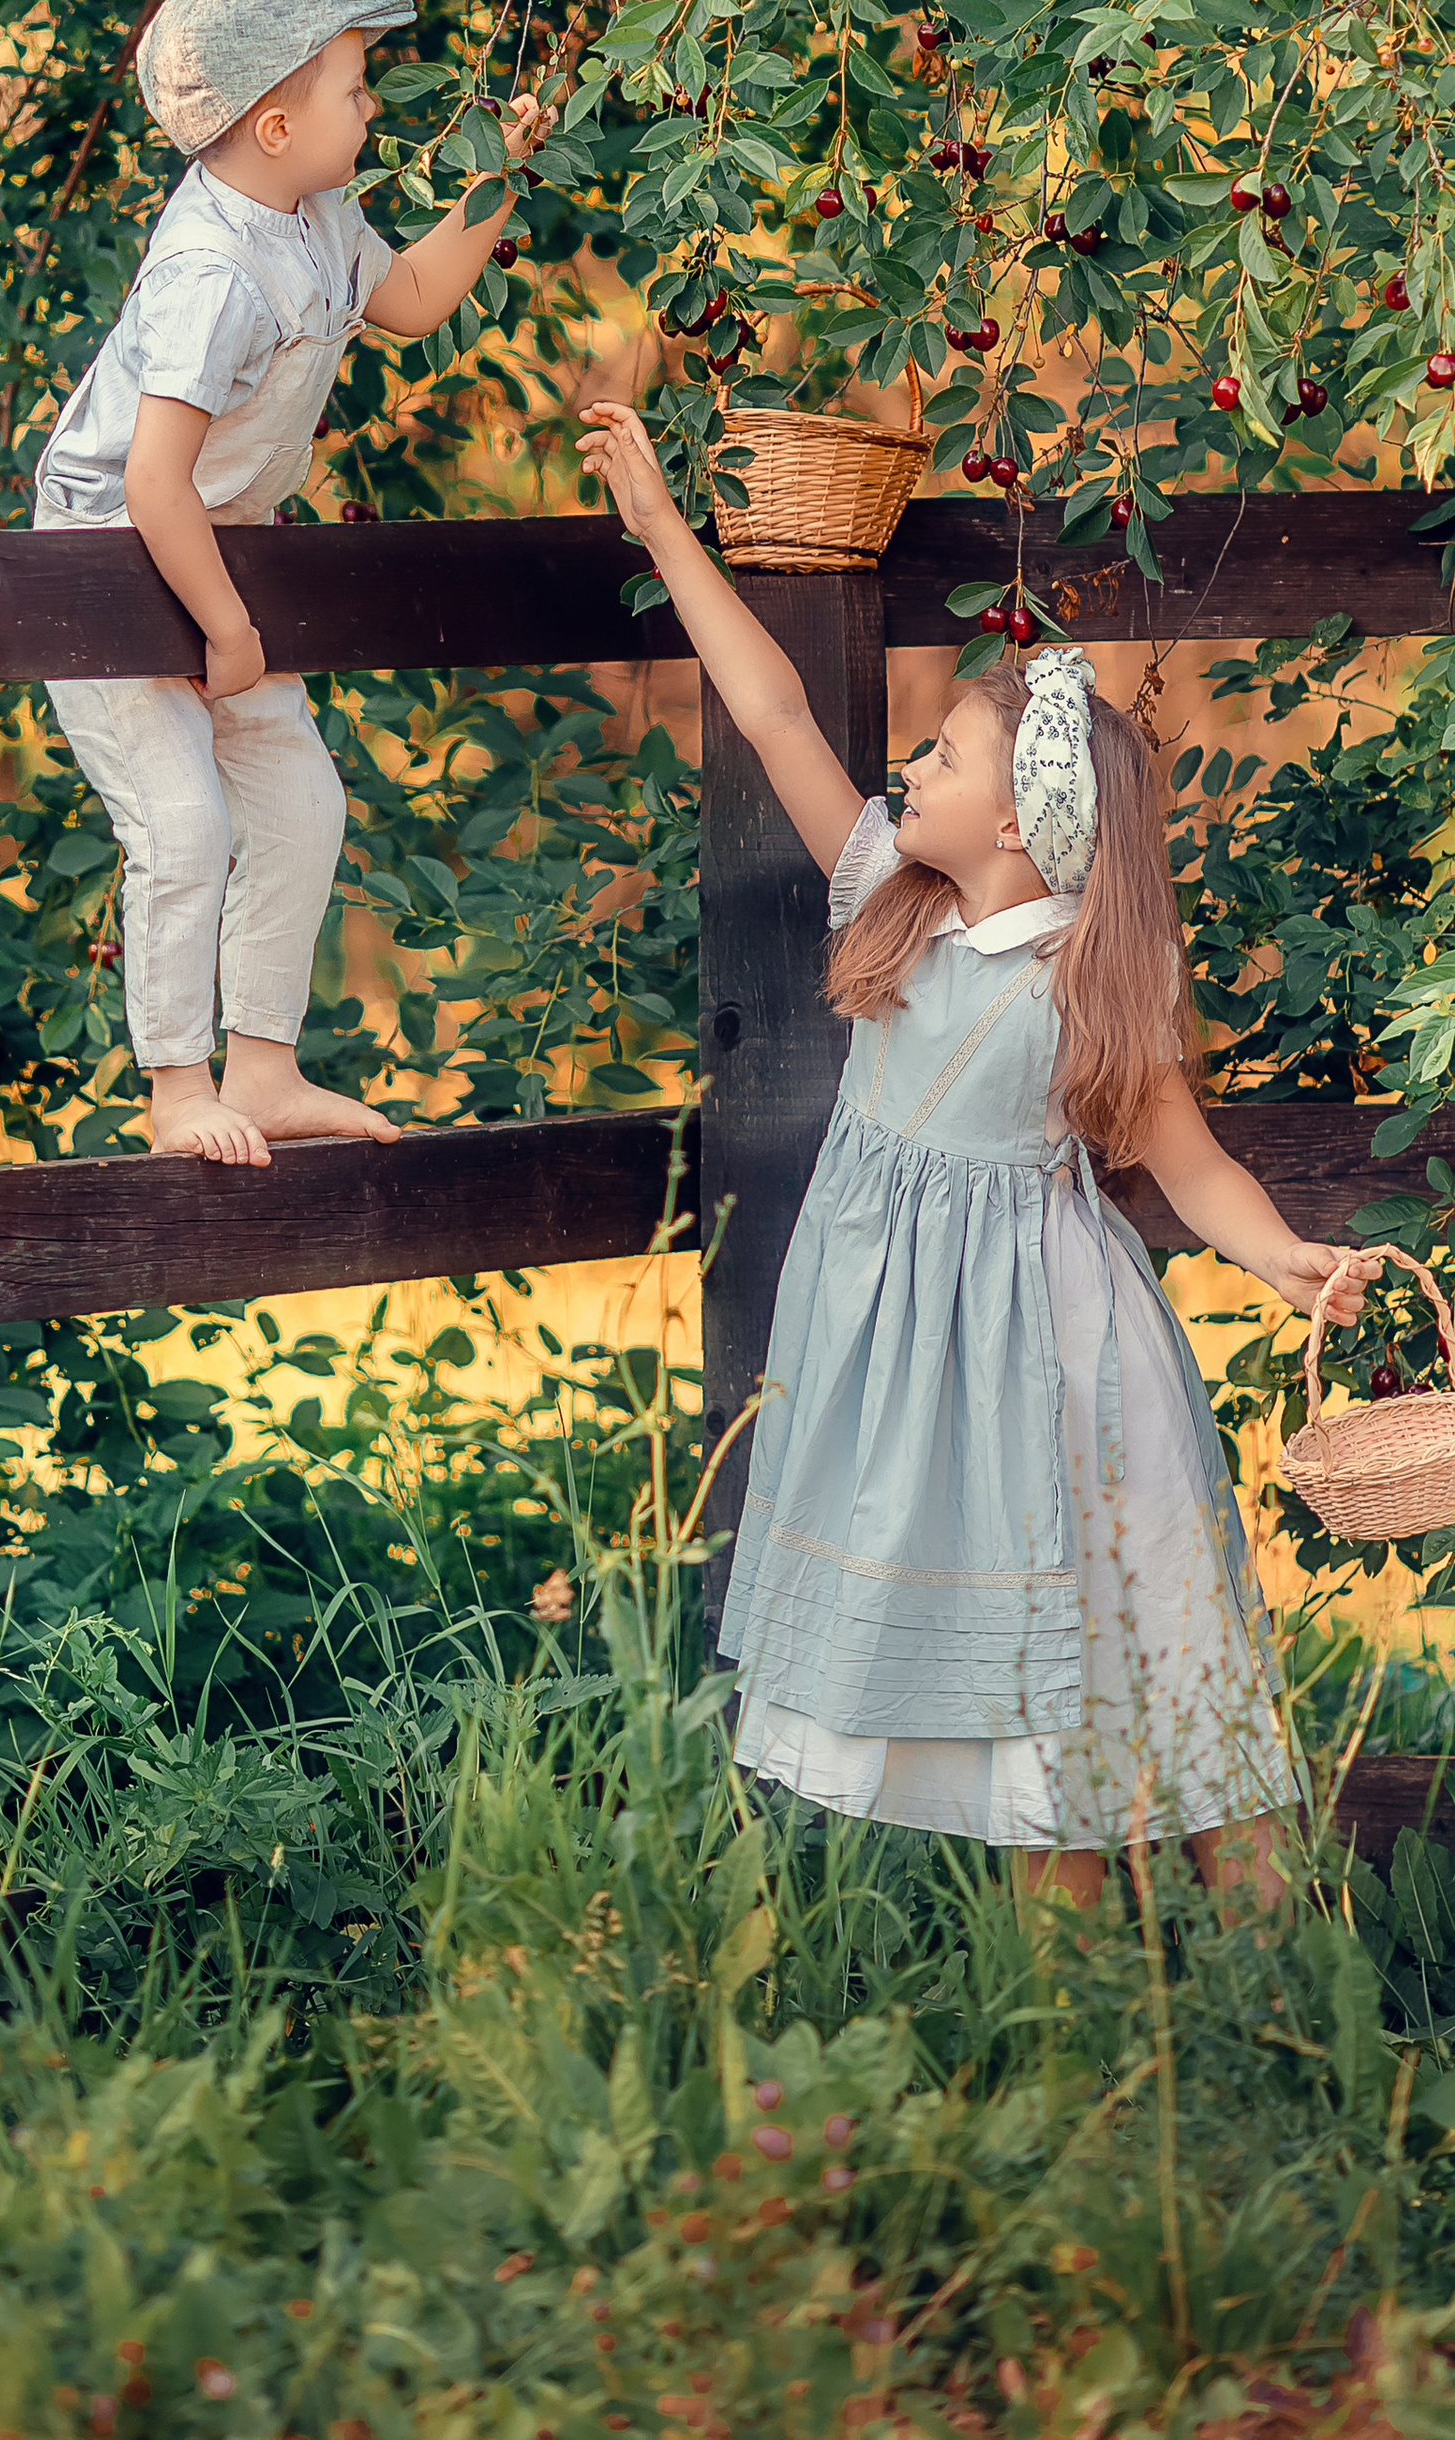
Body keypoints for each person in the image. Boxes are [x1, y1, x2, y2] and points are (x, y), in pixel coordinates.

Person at [576, 396, 1373, 1911]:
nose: (906, 776)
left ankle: (1294, 2011)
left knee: (1157, 1653)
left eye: (939, 758)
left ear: (1019, 819)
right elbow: (773, 715)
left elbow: (1186, 1163)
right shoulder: (894, 898)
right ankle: (1079, 2057)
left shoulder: (1081, 977)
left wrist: (1277, 1260)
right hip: (914, 1363)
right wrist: (669, 530)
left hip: (1056, 1359)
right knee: (1026, 1729)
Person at [36, 0, 547, 1166]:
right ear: (275, 125)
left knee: (302, 802)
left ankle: (262, 1069)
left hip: (222, 553)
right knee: (182, 819)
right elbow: (152, 481)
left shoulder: (315, 219)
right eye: (355, 90)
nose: (370, 111)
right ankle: (177, 1086)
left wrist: (502, 176)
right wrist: (223, 628)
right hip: (110, 557)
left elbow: (414, 297)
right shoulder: (211, 269)